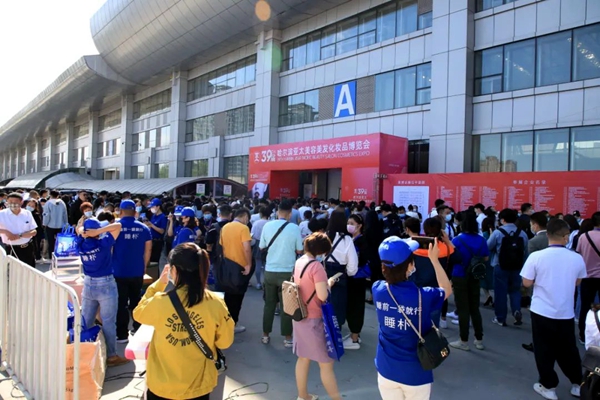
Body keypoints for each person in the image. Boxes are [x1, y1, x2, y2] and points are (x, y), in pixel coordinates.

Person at [133, 243, 235, 400]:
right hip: (198, 386)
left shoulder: (160, 302)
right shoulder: (216, 303)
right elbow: (225, 342)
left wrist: (158, 285)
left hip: (162, 386)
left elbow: (138, 313)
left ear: (174, 270)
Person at [374, 236, 452, 400]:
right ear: (410, 265)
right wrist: (435, 261)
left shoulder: (378, 289)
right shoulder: (423, 296)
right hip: (416, 372)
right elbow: (446, 289)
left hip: (386, 368)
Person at [521, 218, 585, 400]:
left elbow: (526, 282)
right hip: (565, 311)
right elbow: (578, 281)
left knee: (543, 349)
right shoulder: (576, 258)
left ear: (547, 234)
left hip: (541, 310)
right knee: (569, 349)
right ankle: (578, 384)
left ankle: (548, 386)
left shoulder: (536, 257)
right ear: (566, 237)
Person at [293, 232, 341, 400]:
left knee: (303, 358)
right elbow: (322, 296)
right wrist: (329, 284)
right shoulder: (317, 267)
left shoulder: (300, 261)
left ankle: (302, 395)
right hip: (315, 319)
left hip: (300, 315)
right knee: (326, 364)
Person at [75, 218, 129, 367]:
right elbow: (118, 226)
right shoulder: (103, 243)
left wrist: (85, 231)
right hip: (106, 284)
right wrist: (99, 231)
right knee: (108, 321)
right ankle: (111, 356)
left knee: (86, 321)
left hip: (88, 283)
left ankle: (81, 353)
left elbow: (78, 229)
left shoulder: (80, 243)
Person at [260, 201, 303, 347]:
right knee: (287, 307)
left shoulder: (267, 226)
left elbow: (262, 246)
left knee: (269, 305)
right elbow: (299, 250)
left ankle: (265, 335)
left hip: (270, 271)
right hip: (287, 272)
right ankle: (287, 338)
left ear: (277, 212)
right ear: (290, 214)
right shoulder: (294, 228)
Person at [112, 199, 153, 342]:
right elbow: (148, 250)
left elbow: (110, 249)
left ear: (121, 212)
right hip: (137, 271)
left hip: (119, 271)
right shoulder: (144, 228)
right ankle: (138, 329)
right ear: (135, 212)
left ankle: (122, 334)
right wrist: (144, 266)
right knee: (136, 301)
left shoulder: (115, 228)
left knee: (121, 303)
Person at [450, 211, 489, 351]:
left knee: (463, 309)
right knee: (475, 308)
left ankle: (463, 341)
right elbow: (486, 258)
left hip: (459, 275)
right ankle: (479, 340)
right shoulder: (481, 240)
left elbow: (451, 257)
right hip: (475, 276)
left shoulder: (457, 240)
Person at [487, 208, 529, 327]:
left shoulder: (497, 232)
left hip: (500, 266)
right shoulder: (522, 233)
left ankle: (500, 318)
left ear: (503, 220)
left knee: (500, 292)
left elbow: (488, 247)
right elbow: (525, 252)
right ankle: (516, 310)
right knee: (515, 290)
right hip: (517, 267)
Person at [219, 207, 253, 333]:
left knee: (228, 296)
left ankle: (225, 322)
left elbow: (222, 246)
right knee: (237, 297)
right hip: (240, 266)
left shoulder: (225, 227)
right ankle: (233, 324)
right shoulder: (244, 228)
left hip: (227, 265)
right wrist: (248, 264)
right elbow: (247, 248)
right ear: (245, 216)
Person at [324, 210, 358, 327]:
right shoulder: (347, 239)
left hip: (323, 274)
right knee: (338, 308)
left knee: (323, 303)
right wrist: (348, 273)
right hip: (340, 276)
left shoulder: (324, 236)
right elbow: (353, 265)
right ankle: (335, 333)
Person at [344, 214, 368, 350]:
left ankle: (354, 337)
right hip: (351, 278)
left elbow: (365, 262)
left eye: (352, 223)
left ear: (359, 226)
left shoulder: (362, 241)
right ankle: (354, 335)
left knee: (356, 307)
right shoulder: (350, 239)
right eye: (348, 223)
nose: (349, 226)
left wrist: (356, 272)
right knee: (351, 306)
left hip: (357, 279)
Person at [578, 212, 600, 344]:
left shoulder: (584, 236)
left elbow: (578, 254)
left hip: (587, 276)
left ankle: (583, 334)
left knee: (585, 306)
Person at [0, 192, 38, 267]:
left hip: (27, 248)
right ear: (7, 202)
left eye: (16, 201)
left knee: (29, 270)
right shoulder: (2, 214)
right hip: (11, 248)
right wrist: (6, 232)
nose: (13, 203)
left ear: (21, 202)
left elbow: (34, 231)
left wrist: (19, 236)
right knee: (11, 271)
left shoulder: (27, 213)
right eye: (10, 201)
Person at [43, 190, 69, 259]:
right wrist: (66, 224)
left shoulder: (48, 203)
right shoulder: (62, 203)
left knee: (51, 242)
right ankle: (59, 255)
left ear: (50, 195)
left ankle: (51, 256)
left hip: (50, 225)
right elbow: (65, 214)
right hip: (60, 225)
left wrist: (45, 223)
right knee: (60, 241)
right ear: (58, 195)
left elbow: (46, 215)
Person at [250, 206, 270, 289]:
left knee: (258, 264)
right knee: (266, 265)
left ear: (261, 214)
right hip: (268, 244)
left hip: (258, 244)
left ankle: (258, 283)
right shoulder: (270, 223)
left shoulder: (256, 223)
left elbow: (252, 235)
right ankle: (266, 283)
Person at [145, 198, 167, 263]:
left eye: (153, 207)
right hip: (152, 239)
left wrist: (152, 225)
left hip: (158, 242)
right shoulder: (154, 216)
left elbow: (162, 231)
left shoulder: (163, 217)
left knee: (155, 260)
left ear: (158, 207)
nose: (151, 208)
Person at [26, 199, 44, 263]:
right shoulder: (23, 213)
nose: (30, 207)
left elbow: (38, 226)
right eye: (29, 205)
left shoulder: (36, 214)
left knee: (36, 245)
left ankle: (37, 257)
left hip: (35, 233)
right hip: (25, 233)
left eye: (32, 206)